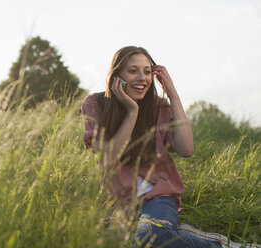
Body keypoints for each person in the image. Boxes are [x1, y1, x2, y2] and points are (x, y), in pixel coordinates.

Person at [81, 46, 249, 248]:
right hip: (118, 203)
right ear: (116, 75)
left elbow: (186, 150)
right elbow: (108, 158)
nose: (142, 78)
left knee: (148, 238)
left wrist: (173, 95)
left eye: (147, 71)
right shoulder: (95, 104)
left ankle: (226, 246)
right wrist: (132, 112)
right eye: (133, 71)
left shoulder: (158, 107)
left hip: (159, 197)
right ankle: (180, 234)